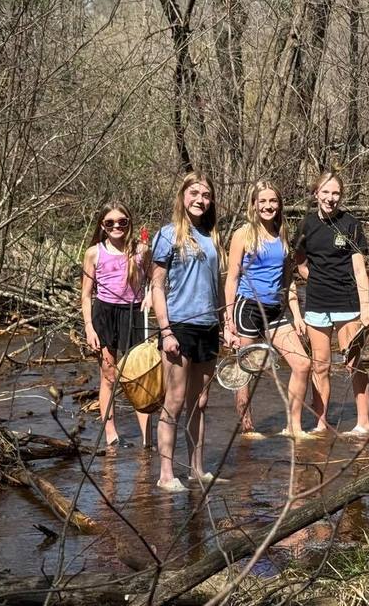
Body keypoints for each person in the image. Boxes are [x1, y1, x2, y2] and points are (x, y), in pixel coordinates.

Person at [151, 171, 224, 492]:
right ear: (183, 197)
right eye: (194, 193)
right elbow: (156, 285)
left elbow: (217, 285)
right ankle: (166, 474)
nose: (200, 200)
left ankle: (197, 468)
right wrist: (165, 331)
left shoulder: (213, 237)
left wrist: (226, 323)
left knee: (201, 402)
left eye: (205, 195)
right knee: (175, 401)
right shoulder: (168, 235)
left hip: (209, 326)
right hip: (179, 327)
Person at [223, 180, 312, 438]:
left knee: (302, 364)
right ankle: (247, 427)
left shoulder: (283, 233)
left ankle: (293, 426)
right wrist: (228, 318)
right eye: (262, 201)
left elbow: (288, 280)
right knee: (245, 369)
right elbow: (232, 278)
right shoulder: (242, 235)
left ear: (279, 205)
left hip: (275, 309)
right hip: (248, 307)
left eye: (273, 201)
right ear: (254, 205)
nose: (268, 206)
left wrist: (296, 314)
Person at [294, 171, 369, 437]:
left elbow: (360, 271)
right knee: (320, 365)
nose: (331, 198)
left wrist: (365, 310)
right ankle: (321, 422)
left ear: (341, 196)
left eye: (336, 193)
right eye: (326, 192)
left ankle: (363, 423)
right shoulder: (306, 225)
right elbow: (300, 262)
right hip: (317, 304)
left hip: (348, 303)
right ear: (316, 194)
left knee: (354, 363)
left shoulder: (350, 224)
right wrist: (315, 279)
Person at [81, 200, 152, 449]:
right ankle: (111, 434)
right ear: (103, 225)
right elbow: (86, 294)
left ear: (128, 223)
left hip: (134, 313)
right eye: (110, 223)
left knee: (139, 375)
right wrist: (89, 327)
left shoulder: (141, 250)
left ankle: (147, 438)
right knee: (109, 375)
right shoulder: (94, 253)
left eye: (121, 222)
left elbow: (155, 280)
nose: (116, 226)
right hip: (105, 313)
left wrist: (151, 294)